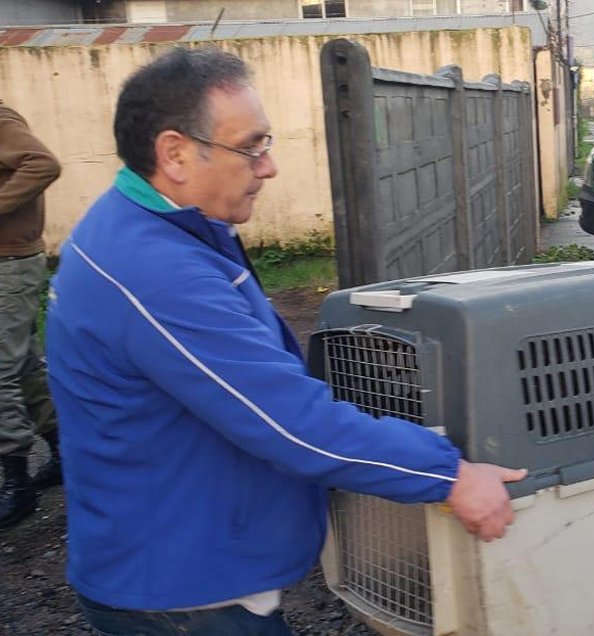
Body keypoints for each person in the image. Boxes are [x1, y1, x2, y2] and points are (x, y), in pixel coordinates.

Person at [46, 47, 526, 635]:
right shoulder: (152, 268)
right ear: (174, 153)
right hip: (185, 597)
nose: (268, 167)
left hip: (177, 566)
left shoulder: (146, 226)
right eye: (251, 146)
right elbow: (288, 423)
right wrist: (449, 476)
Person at [0, 98, 63, 530]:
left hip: (10, 263)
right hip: (8, 260)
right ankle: (65, 454)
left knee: (1, 369)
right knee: (22, 366)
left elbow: (43, 163)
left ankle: (16, 482)